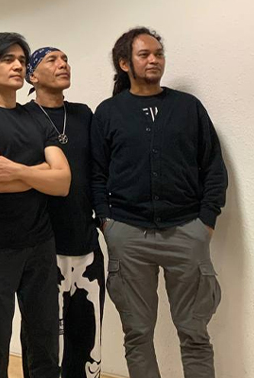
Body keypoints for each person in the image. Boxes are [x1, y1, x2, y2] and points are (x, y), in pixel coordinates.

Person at [92, 27, 227, 378]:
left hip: (187, 231)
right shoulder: (108, 113)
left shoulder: (188, 107)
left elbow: (213, 167)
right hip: (128, 234)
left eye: (159, 54)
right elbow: (96, 174)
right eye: (144, 54)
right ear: (124, 63)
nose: (154, 60)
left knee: (195, 333)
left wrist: (206, 221)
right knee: (137, 335)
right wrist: (108, 223)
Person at [0, 32, 70, 378]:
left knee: (44, 341)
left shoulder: (36, 117)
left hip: (39, 242)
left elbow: (63, 182)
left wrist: (17, 170)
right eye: (8, 59)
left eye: (21, 60)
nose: (18, 65)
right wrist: (40, 173)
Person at [21, 47, 104, 378]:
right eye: (52, 60)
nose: (63, 64)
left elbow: (98, 172)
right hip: (42, 245)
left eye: (66, 59)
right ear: (32, 75)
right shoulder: (22, 117)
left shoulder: (83, 114)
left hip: (85, 241)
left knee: (86, 341)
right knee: (43, 344)